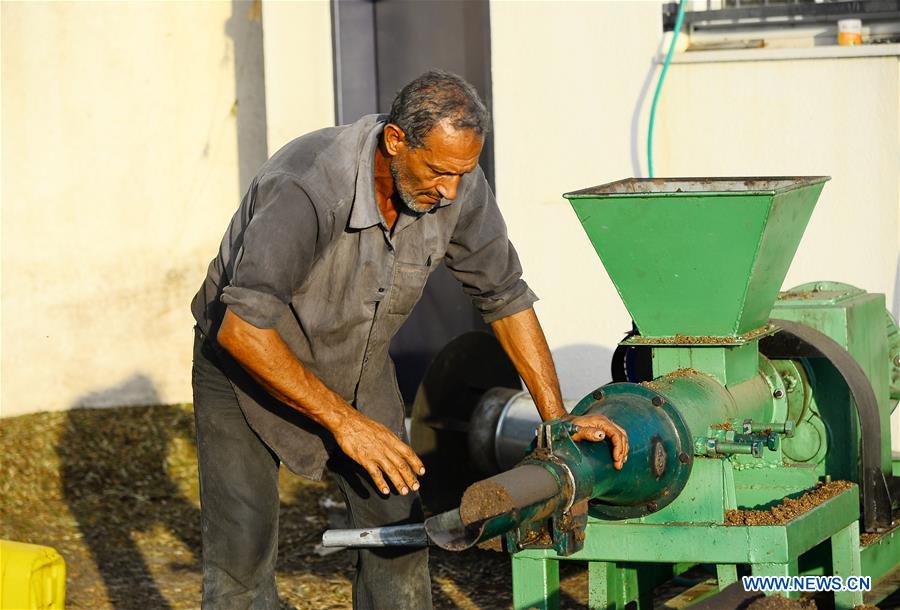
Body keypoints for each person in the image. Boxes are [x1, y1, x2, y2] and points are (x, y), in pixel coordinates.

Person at [190, 69, 629, 610]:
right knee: (242, 560)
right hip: (247, 366)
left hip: (358, 359)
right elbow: (243, 329)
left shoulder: (458, 185)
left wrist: (555, 416)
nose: (450, 192)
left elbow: (505, 295)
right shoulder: (309, 185)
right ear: (396, 140)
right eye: (440, 171)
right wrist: (346, 424)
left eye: (462, 173)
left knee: (399, 533)